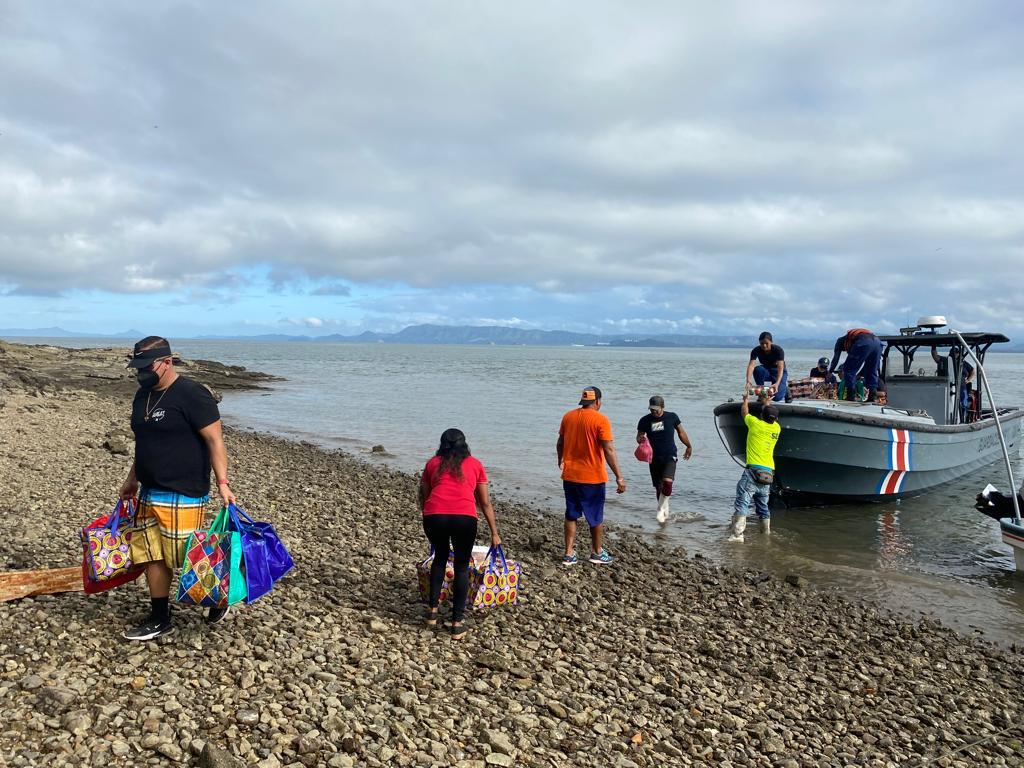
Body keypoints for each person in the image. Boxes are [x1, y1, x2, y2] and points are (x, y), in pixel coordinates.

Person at [119, 336, 237, 641]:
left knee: (187, 558)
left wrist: (223, 484)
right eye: (137, 367)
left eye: (146, 366)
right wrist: (132, 478)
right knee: (151, 555)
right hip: (148, 490)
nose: (140, 373)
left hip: (183, 491)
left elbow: (215, 441)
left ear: (167, 362)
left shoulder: (192, 394)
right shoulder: (142, 396)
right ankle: (160, 617)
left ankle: (218, 597)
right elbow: (144, 443)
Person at [417, 428, 501, 640]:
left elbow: (426, 495)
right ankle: (457, 623)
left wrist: (429, 514)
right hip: (464, 518)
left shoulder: (432, 463)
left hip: (434, 516)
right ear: (464, 444)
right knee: (462, 566)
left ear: (442, 444)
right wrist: (494, 533)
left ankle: (432, 613)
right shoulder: (475, 464)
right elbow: (485, 502)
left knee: (440, 558)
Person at [557, 386, 626, 565]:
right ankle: (597, 552)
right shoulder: (601, 420)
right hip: (592, 477)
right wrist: (619, 476)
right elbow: (608, 449)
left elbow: (560, 442)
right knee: (595, 516)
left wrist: (560, 460)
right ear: (597, 401)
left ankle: (569, 553)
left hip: (570, 475)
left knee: (571, 514)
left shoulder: (568, 416)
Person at [728, 393, 781, 542]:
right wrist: (767, 401)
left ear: (761, 416)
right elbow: (769, 414)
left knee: (742, 502)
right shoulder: (776, 429)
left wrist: (745, 400)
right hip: (768, 472)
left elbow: (744, 412)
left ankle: (737, 535)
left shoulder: (755, 424)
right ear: (775, 420)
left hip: (752, 471)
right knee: (763, 506)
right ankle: (766, 534)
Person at [635, 395, 693, 524]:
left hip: (669, 455)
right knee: (659, 487)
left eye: (656, 409)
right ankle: (663, 513)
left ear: (662, 407)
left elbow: (681, 432)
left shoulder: (672, 417)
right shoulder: (644, 420)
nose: (653, 412)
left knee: (667, 482)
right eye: (651, 409)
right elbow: (638, 436)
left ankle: (660, 509)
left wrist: (688, 446)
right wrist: (640, 439)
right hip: (654, 457)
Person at [828, 328, 883, 402]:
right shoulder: (852, 339)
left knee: (848, 370)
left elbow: (835, 359)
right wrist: (859, 374)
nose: (845, 351)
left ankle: (850, 396)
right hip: (878, 342)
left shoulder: (839, 342)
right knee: (871, 369)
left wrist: (830, 371)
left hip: (864, 342)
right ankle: (872, 396)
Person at [745, 331, 788, 402]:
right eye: (762, 343)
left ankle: (786, 390)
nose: (764, 345)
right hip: (767, 371)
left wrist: (777, 383)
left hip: (778, 372)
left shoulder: (778, 350)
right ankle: (761, 393)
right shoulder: (756, 350)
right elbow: (751, 366)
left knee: (776, 398)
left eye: (766, 343)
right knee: (758, 370)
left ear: (771, 342)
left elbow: (780, 368)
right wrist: (748, 381)